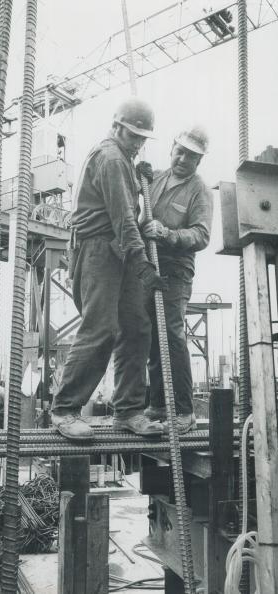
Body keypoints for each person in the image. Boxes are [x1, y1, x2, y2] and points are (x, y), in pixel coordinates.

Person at [51, 97, 168, 441]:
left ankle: (129, 410)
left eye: (142, 139)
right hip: (100, 250)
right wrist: (143, 263)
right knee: (100, 328)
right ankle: (65, 409)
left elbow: (131, 217)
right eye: (133, 136)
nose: (138, 143)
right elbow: (123, 221)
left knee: (137, 327)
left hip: (118, 252)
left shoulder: (124, 161)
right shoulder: (112, 158)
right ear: (117, 127)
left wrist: (140, 177)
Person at [142, 127, 213, 434]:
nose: (183, 159)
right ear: (172, 148)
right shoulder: (154, 178)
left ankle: (184, 412)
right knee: (151, 337)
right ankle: (157, 405)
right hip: (148, 266)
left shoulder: (199, 190)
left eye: (192, 156)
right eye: (180, 151)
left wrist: (168, 234)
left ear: (199, 161)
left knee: (171, 335)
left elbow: (202, 234)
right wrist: (136, 175)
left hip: (176, 269)